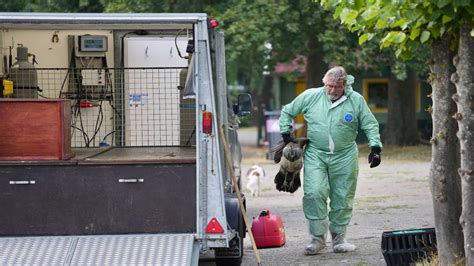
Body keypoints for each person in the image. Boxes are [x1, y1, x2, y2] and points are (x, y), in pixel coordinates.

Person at [279, 66, 382, 255]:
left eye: (336, 86)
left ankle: (339, 239)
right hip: (316, 153)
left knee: (342, 196)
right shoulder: (311, 96)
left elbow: (369, 123)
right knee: (314, 193)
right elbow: (288, 111)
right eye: (329, 86)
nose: (332, 90)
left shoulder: (356, 100)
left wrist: (375, 148)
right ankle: (317, 239)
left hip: (345, 155)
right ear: (324, 83)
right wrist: (286, 132)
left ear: (345, 84)